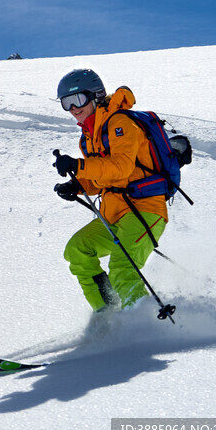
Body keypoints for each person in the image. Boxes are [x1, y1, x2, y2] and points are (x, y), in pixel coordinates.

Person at [51, 68, 167, 312]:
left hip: (145, 209)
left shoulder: (120, 123)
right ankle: (108, 313)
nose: (73, 108)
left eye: (78, 99)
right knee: (77, 249)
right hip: (114, 214)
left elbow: (122, 168)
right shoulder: (88, 137)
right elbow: (102, 178)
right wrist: (77, 186)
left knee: (122, 267)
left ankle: (142, 326)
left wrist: (79, 165)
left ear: (95, 95)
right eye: (66, 103)